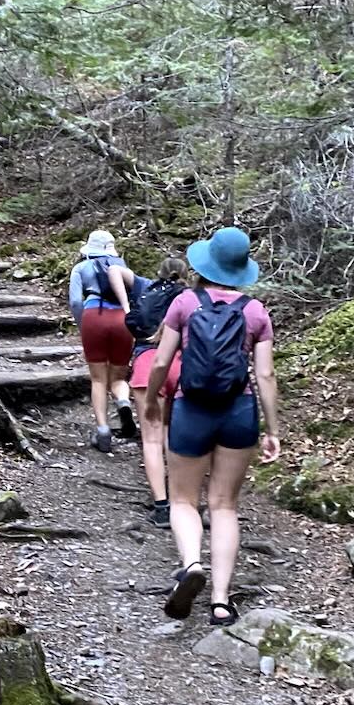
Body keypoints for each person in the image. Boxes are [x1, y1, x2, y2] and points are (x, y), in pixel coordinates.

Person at [143, 226, 280, 624]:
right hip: (238, 411)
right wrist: (272, 430)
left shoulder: (185, 303)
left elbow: (162, 362)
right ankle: (220, 601)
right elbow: (266, 376)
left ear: (206, 263)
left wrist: (152, 400)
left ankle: (191, 566)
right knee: (225, 505)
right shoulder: (255, 312)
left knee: (183, 500)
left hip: (192, 410)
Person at [127, 254, 189, 524]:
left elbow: (131, 321)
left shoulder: (148, 293)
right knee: (173, 434)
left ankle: (162, 506)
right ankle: (182, 499)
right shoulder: (191, 297)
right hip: (182, 365)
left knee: (151, 439)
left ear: (159, 272)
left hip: (148, 363)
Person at [68, 228, 136, 453]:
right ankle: (124, 402)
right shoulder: (122, 266)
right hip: (121, 319)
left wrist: (82, 324)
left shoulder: (81, 267)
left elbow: (76, 302)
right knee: (119, 376)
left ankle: (103, 430)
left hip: (94, 317)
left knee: (98, 379)